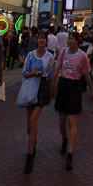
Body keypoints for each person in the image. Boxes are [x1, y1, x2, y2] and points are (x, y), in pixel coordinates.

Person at [51, 31, 93, 170]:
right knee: (61, 120)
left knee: (71, 120)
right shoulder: (63, 52)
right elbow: (57, 70)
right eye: (69, 39)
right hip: (63, 85)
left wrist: (92, 90)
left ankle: (70, 153)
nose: (69, 41)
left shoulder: (82, 56)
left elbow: (86, 74)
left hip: (75, 87)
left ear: (77, 41)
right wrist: (53, 88)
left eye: (71, 39)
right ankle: (65, 139)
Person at [19, 31, 54, 173]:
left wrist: (52, 93)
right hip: (29, 86)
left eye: (43, 39)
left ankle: (30, 153)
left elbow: (50, 75)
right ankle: (32, 142)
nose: (41, 41)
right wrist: (33, 74)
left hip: (42, 88)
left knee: (33, 122)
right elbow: (24, 72)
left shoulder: (50, 57)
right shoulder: (30, 55)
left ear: (46, 41)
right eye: (39, 38)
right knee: (29, 123)